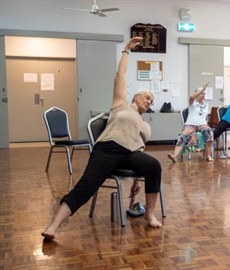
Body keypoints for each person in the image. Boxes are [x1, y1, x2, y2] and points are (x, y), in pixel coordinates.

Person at [42, 37, 163, 241]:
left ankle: (150, 213)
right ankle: (53, 226)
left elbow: (139, 147)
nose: (149, 101)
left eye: (151, 100)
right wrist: (126, 50)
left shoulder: (146, 125)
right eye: (146, 97)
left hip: (129, 154)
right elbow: (120, 75)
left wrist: (138, 178)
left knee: (153, 165)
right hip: (107, 150)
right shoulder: (121, 105)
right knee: (86, 186)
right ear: (135, 97)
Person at [167, 83, 214, 162]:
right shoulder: (192, 103)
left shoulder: (206, 105)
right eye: (201, 94)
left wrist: (206, 124)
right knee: (184, 134)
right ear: (197, 94)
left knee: (209, 132)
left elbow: (205, 117)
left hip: (202, 124)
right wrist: (202, 89)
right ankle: (174, 156)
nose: (203, 95)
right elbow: (191, 97)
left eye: (204, 94)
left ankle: (208, 156)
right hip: (191, 124)